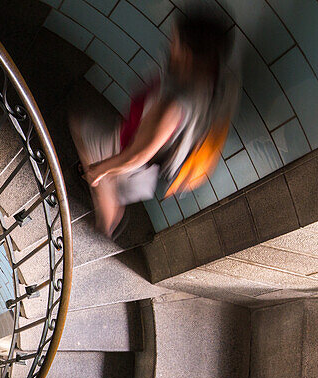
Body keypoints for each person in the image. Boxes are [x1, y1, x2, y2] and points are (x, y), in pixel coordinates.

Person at [69, 9, 238, 237]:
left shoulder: (174, 101)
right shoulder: (214, 79)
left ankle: (107, 221)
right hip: (161, 156)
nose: (170, 44)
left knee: (82, 128)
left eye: (175, 41)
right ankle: (110, 204)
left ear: (186, 54)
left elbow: (137, 155)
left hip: (129, 152)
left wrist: (99, 169)